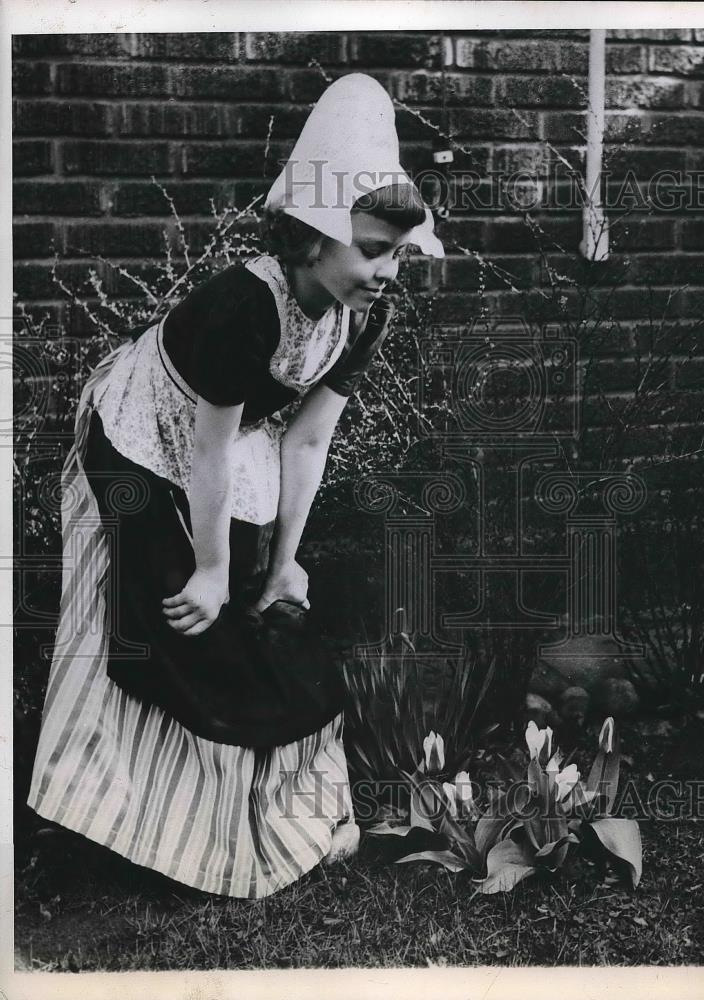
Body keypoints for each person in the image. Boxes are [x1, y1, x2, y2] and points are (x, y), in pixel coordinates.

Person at [26, 73, 445, 899]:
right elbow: (203, 453)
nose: (387, 269)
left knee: (268, 611)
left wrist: (281, 562)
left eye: (396, 251)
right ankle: (135, 831)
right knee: (180, 620)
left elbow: (309, 436)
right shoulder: (240, 307)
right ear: (311, 240)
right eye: (370, 248)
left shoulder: (365, 313)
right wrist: (210, 571)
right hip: (142, 443)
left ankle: (243, 819)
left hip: (227, 446)